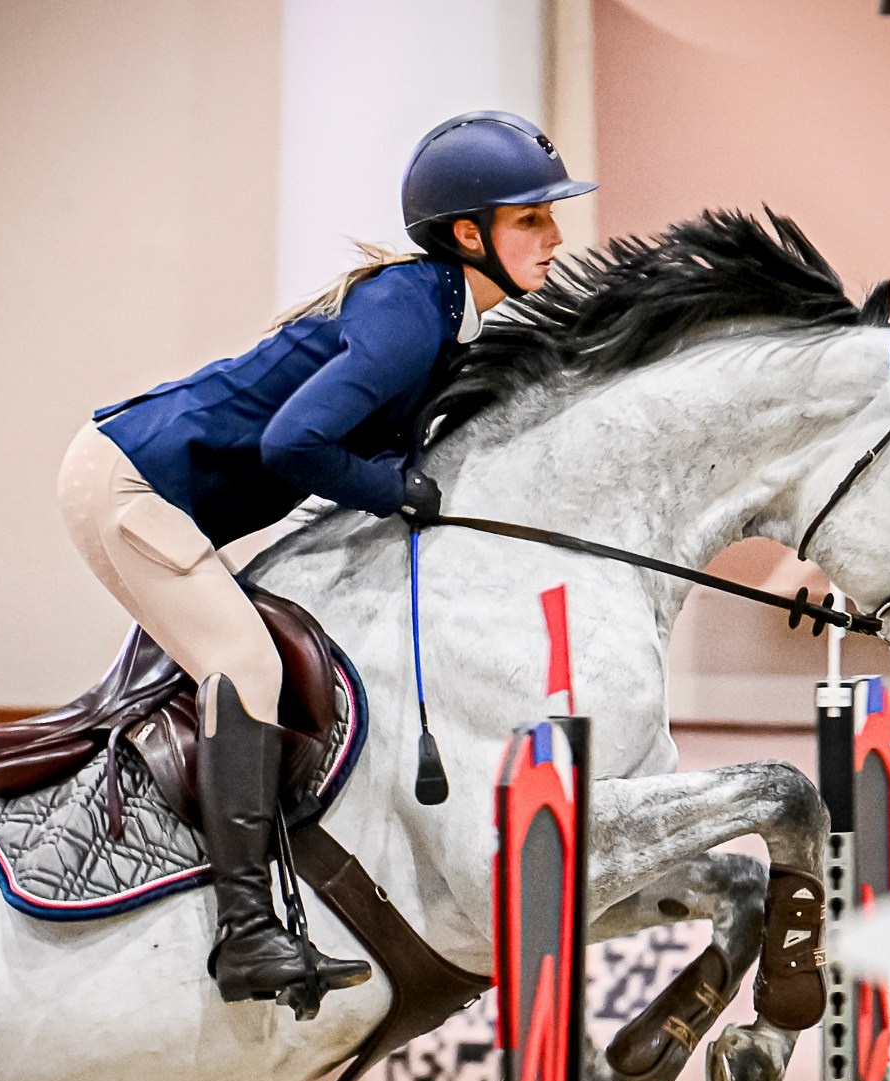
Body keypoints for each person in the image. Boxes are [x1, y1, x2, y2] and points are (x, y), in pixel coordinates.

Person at [57, 111, 596, 1009]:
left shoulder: (443, 313)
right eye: (531, 218)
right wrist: (396, 492)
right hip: (130, 482)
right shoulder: (411, 319)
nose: (556, 236)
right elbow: (291, 444)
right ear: (471, 235)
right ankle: (246, 936)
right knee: (244, 664)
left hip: (143, 474)